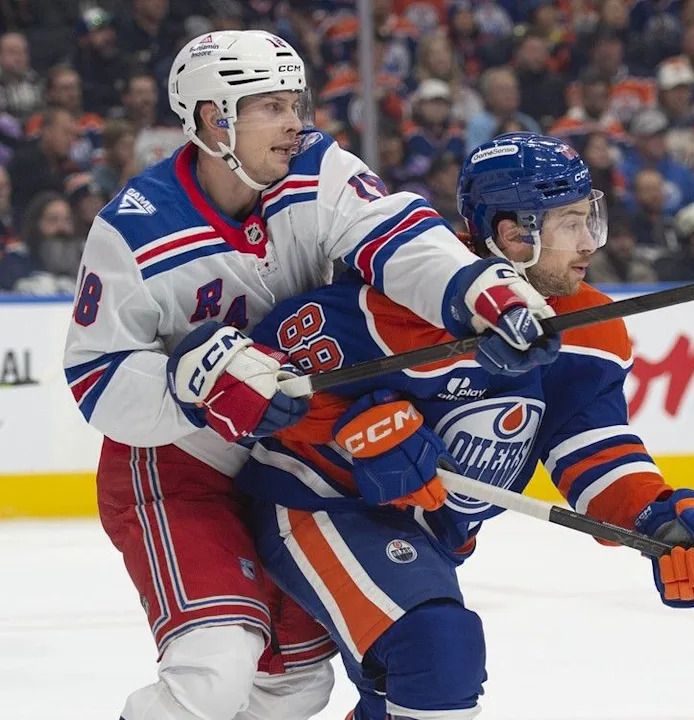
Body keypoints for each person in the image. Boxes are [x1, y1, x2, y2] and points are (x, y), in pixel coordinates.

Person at [62, 31, 558, 720]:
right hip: (177, 467)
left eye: (296, 101)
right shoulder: (135, 230)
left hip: (291, 464)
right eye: (270, 105)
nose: (296, 121)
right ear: (214, 118)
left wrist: (477, 289)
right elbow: (97, 379)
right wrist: (193, 389)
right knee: (214, 666)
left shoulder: (317, 168)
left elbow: (395, 234)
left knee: (295, 686)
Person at [237, 133, 694, 719]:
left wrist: (659, 518)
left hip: (432, 538)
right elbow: (257, 382)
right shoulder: (405, 296)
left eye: (589, 219)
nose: (588, 244)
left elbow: (594, 451)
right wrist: (354, 425)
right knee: (438, 652)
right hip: (320, 504)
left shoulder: (590, 329)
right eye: (570, 223)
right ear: (513, 233)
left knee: (402, 693)